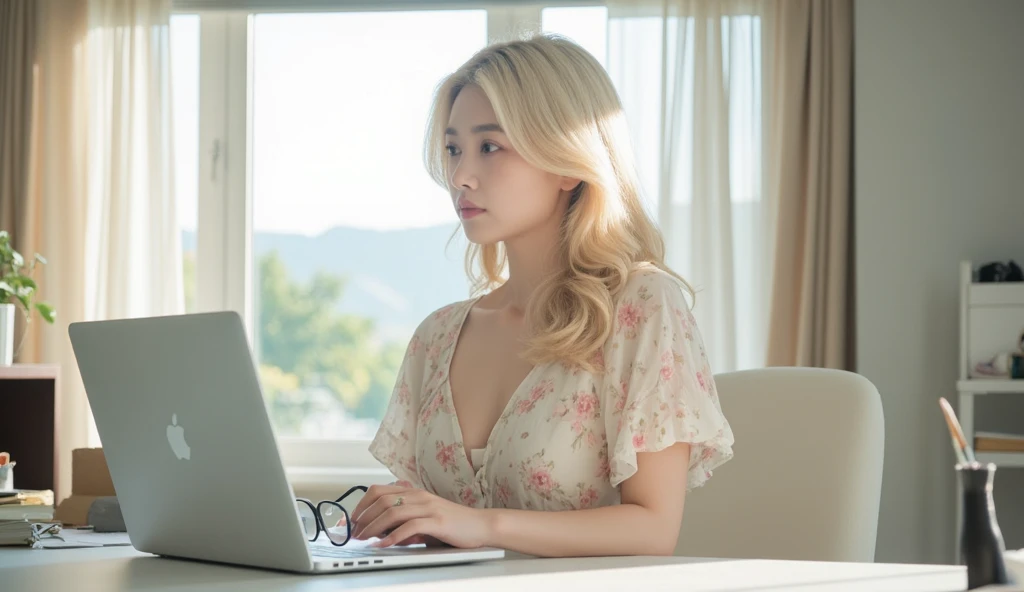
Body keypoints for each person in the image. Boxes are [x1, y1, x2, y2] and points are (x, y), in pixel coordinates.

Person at [350, 33, 734, 558]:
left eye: (490, 147)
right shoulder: (436, 336)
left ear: (568, 163)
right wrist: (408, 518)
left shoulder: (641, 307)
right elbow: (442, 528)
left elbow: (653, 529)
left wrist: (485, 525)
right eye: (454, 149)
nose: (461, 176)